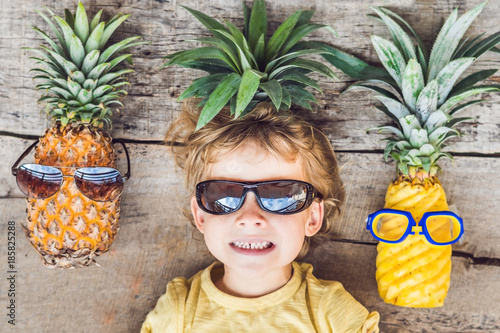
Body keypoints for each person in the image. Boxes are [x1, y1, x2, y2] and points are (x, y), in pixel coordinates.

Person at [141, 101, 380, 333]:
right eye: (225, 194)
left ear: (313, 218)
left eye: (281, 195)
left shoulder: (334, 314)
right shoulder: (177, 312)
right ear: (200, 214)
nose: (250, 216)